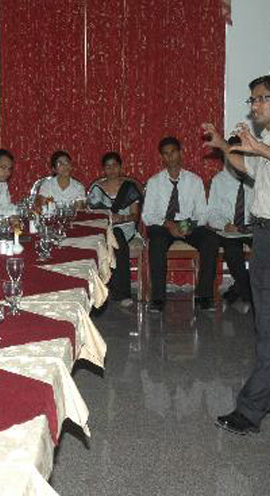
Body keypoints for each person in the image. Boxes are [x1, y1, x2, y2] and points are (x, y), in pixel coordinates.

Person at [203, 74, 270, 435]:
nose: (254, 105)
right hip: (263, 235)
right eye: (252, 99)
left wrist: (258, 148)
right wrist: (224, 148)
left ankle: (250, 409)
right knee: (264, 326)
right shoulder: (266, 140)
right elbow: (248, 169)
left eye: (261, 98)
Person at [142, 136, 219, 312]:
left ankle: (204, 296)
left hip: (188, 224)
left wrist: (184, 226)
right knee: (157, 242)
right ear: (162, 157)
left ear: (181, 153)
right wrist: (169, 225)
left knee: (211, 240)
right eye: (166, 154)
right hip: (162, 225)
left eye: (173, 152)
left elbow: (202, 214)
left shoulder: (195, 180)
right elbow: (147, 215)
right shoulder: (154, 182)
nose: (170, 157)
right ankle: (158, 298)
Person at [87, 152, 143, 307]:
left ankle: (122, 293)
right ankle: (96, 290)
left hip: (125, 227)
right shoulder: (97, 190)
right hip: (103, 228)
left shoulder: (129, 188)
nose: (111, 169)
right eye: (108, 166)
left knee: (117, 235)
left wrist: (122, 218)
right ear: (103, 169)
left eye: (115, 166)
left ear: (120, 167)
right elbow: (92, 215)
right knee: (110, 235)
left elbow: (135, 216)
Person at [207, 157, 254, 314]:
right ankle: (249, 294)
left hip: (252, 228)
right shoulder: (219, 180)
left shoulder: (255, 177)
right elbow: (212, 213)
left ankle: (238, 288)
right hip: (229, 229)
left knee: (263, 250)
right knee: (233, 252)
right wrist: (225, 225)